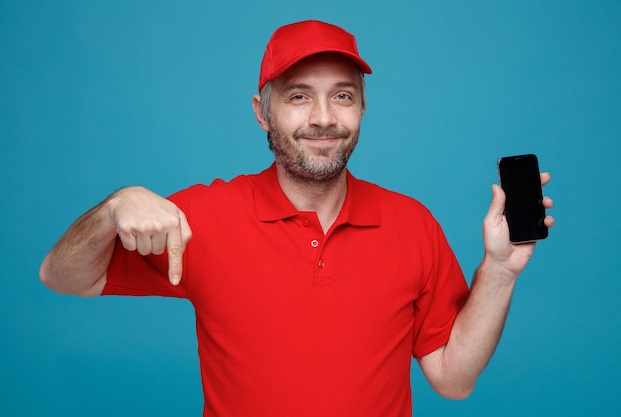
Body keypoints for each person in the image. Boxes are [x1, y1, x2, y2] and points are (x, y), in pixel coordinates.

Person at [40, 20, 555, 417]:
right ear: (262, 112)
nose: (324, 117)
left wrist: (500, 271)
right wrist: (113, 209)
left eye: (343, 95)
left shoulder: (412, 224)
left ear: (362, 109)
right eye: (299, 96)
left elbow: (452, 379)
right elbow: (60, 276)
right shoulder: (202, 216)